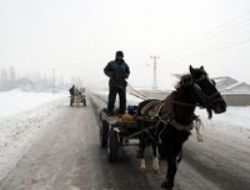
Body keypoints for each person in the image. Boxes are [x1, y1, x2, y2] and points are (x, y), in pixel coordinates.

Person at [104, 51, 130, 115]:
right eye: (118, 56)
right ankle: (110, 111)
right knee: (112, 98)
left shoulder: (125, 64)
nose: (119, 57)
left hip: (122, 84)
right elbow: (105, 70)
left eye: (121, 56)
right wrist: (111, 74)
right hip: (113, 83)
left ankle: (122, 111)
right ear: (116, 56)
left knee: (123, 99)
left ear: (122, 56)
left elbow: (128, 71)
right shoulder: (111, 63)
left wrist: (126, 75)